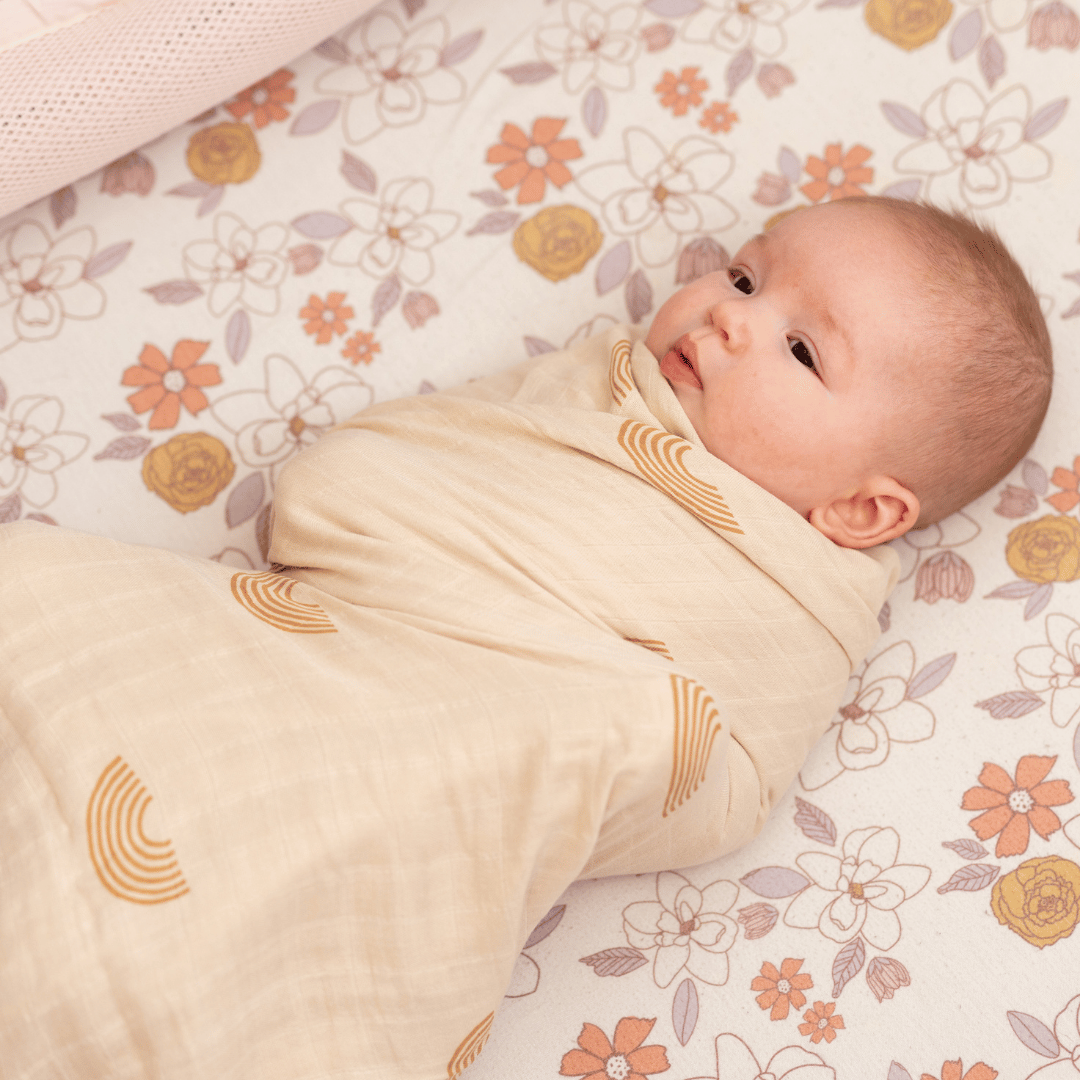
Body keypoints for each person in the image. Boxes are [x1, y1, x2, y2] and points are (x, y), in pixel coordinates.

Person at [0, 196, 1052, 1079]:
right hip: (334, 640)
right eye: (743, 278)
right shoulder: (589, 394)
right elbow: (363, 483)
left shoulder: (794, 602)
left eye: (803, 348)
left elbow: (699, 765)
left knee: (272, 897)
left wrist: (618, 712)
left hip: (488, 747)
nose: (733, 319)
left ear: (862, 514)